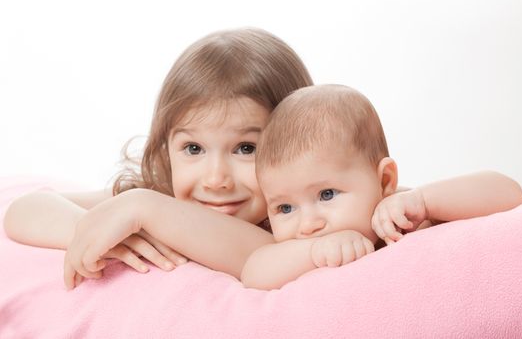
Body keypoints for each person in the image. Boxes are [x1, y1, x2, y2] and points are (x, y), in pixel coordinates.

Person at [3, 27, 313, 289]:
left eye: (246, 148)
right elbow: (25, 209)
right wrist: (90, 228)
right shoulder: (158, 192)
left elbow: (259, 259)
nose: (216, 179)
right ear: (166, 147)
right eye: (193, 149)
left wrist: (147, 208)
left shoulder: (298, 218)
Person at [240, 84, 522, 290]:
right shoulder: (297, 249)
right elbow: (254, 272)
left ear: (385, 181)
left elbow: (510, 194)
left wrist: (425, 201)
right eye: (285, 207)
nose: (308, 224)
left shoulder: (403, 217)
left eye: (326, 194)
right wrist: (315, 251)